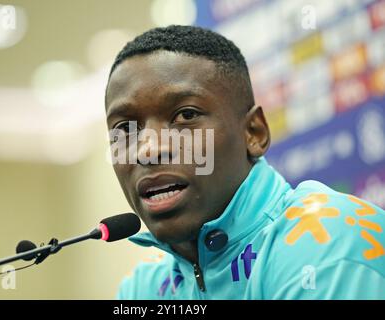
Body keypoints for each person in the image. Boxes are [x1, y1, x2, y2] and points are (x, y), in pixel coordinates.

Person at [104, 25, 385, 299]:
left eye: (186, 115)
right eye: (125, 130)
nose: (149, 149)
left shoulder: (330, 245)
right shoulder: (144, 287)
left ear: (254, 132)